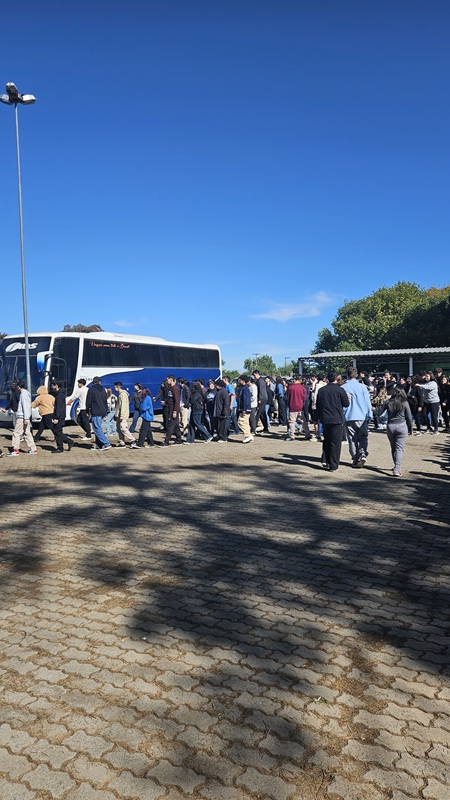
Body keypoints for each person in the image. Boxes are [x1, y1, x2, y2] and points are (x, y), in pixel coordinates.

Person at [316, 371, 350, 471]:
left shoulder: (322, 390)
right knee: (336, 443)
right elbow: (346, 404)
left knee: (327, 440)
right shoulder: (340, 390)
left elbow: (318, 405)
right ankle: (333, 465)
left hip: (325, 418)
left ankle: (326, 460)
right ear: (336, 378)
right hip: (337, 419)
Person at [376, 387, 413, 476]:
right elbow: (409, 417)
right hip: (401, 426)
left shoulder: (388, 402)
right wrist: (410, 428)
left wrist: (375, 408)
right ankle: (397, 468)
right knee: (399, 448)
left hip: (391, 426)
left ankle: (396, 465)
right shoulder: (405, 402)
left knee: (393, 447)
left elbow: (378, 413)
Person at [343, 367, 373, 468]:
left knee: (352, 438)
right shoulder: (363, 387)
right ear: (356, 375)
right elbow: (367, 402)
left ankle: (355, 459)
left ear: (347, 375)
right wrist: (369, 414)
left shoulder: (343, 388)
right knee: (363, 436)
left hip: (348, 416)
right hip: (362, 416)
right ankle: (363, 452)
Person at [1, 380, 37, 456]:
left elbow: (25, 406)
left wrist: (25, 418)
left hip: (22, 417)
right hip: (25, 416)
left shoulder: (23, 394)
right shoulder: (26, 393)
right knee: (27, 433)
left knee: (16, 433)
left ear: (18, 386)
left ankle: (16, 450)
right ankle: (33, 449)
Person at [86, 376, 111, 450]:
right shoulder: (103, 390)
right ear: (99, 382)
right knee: (99, 428)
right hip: (103, 411)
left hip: (96, 411)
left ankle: (106, 443)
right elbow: (105, 401)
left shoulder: (91, 390)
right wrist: (106, 412)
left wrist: (87, 410)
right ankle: (99, 444)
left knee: (97, 429)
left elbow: (88, 401)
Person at [51, 380, 74, 454]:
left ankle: (64, 444)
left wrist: (56, 417)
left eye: (53, 385)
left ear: (56, 385)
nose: (51, 386)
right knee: (58, 431)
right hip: (60, 416)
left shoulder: (59, 395)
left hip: (59, 417)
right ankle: (62, 445)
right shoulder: (60, 394)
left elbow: (59, 407)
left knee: (57, 431)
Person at [113, 382, 138, 448]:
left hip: (122, 415)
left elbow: (123, 405)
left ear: (118, 387)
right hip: (118, 414)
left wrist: (122, 414)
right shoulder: (120, 394)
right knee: (119, 429)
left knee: (123, 428)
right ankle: (122, 442)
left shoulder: (123, 394)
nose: (114, 388)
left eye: (115, 387)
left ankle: (133, 440)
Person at [162, 375, 183, 446]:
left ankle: (166, 441)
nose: (166, 381)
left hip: (173, 409)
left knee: (170, 425)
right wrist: (165, 402)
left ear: (171, 380)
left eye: (167, 379)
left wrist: (175, 411)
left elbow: (177, 401)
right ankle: (179, 440)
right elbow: (170, 399)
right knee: (176, 425)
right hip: (170, 408)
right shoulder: (170, 388)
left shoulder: (175, 389)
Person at [286, 375, 307, 442]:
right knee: (303, 421)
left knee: (292, 422)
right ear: (300, 380)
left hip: (292, 406)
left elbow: (287, 397)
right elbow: (304, 397)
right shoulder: (302, 387)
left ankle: (292, 435)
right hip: (300, 406)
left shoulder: (290, 387)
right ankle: (307, 434)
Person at [237, 375, 253, 443]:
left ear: (243, 381)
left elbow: (246, 400)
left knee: (241, 422)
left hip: (245, 409)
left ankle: (247, 436)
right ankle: (249, 436)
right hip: (244, 408)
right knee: (246, 423)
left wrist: (244, 409)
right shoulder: (243, 388)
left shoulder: (245, 389)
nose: (238, 381)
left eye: (240, 380)